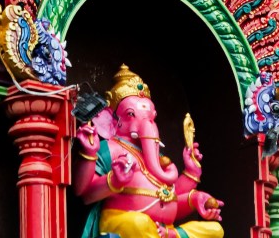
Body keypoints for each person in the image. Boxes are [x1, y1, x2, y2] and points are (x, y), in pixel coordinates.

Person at [73, 65, 223, 238]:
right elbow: (83, 193)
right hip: (123, 222)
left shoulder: (156, 157)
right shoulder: (112, 148)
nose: (146, 123)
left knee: (215, 230)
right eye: (131, 114)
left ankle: (172, 234)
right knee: (141, 223)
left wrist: (193, 189)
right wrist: (112, 179)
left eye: (151, 117)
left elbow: (167, 197)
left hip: (159, 230)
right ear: (112, 119)